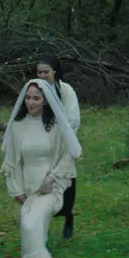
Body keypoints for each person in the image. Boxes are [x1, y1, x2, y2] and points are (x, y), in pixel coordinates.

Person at [0, 79, 82, 258]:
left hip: (50, 188)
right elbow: (12, 161)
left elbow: (67, 156)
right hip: (27, 190)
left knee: (30, 225)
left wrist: (52, 178)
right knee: (32, 230)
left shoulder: (56, 126)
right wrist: (16, 190)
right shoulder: (18, 127)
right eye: (28, 98)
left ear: (45, 100)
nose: (31, 102)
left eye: (36, 98)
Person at [35, 55, 81, 240]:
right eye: (39, 72)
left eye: (46, 72)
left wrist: (59, 134)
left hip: (63, 143)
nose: (42, 76)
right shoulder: (34, 91)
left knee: (65, 185)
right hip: (41, 145)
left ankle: (68, 217)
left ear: (54, 72)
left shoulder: (66, 91)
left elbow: (73, 118)